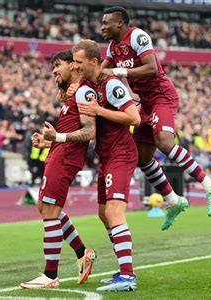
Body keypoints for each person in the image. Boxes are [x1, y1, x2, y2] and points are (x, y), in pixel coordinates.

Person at [100, 6, 211, 230]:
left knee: (164, 142)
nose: (101, 27)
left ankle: (210, 185)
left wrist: (118, 73)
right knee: (141, 158)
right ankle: (174, 201)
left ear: (119, 23)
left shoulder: (137, 36)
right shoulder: (112, 47)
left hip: (161, 96)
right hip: (144, 102)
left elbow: (152, 69)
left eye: (105, 22)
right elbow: (100, 73)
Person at [20, 50, 97, 289]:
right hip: (59, 153)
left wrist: (58, 136)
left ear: (74, 65)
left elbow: (90, 131)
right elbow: (73, 128)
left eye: (58, 65)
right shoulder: (71, 93)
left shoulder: (83, 91)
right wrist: (49, 141)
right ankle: (83, 252)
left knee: (50, 212)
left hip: (65, 158)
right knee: (43, 206)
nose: (54, 70)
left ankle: (50, 274)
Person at [73, 39, 141, 292]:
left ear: (93, 61)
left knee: (114, 212)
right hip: (107, 155)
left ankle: (127, 275)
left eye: (79, 62)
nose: (75, 66)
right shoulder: (87, 85)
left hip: (121, 153)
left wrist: (99, 111)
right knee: (103, 214)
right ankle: (123, 270)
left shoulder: (111, 84)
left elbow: (133, 117)